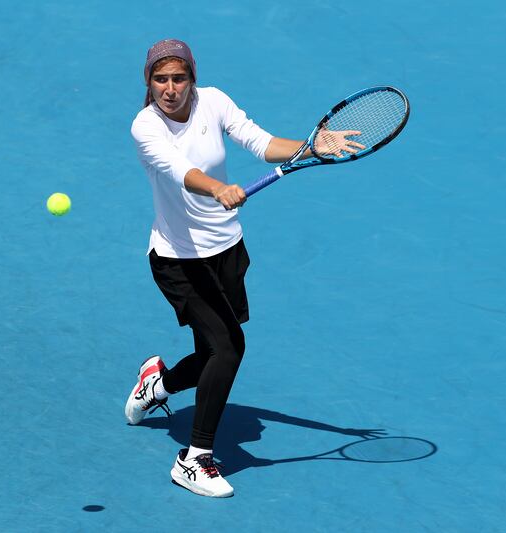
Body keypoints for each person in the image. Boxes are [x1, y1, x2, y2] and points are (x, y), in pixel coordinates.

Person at [125, 38, 364, 498]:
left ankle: (157, 384)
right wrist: (217, 189)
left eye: (179, 79)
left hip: (226, 252)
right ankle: (194, 460)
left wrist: (313, 144)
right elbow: (181, 171)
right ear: (148, 82)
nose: (170, 89)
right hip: (178, 261)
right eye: (160, 80)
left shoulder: (213, 102)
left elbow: (263, 142)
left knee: (208, 356)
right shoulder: (145, 127)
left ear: (192, 79)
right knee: (229, 348)